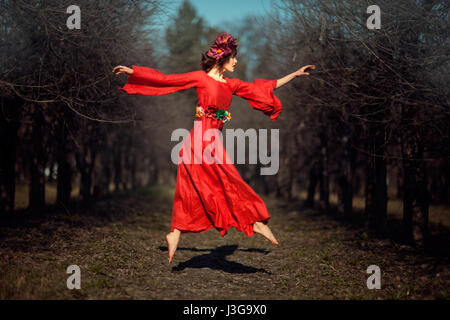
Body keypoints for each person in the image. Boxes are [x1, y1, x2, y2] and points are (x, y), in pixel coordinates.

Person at [113, 33, 315, 264]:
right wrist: (133, 72)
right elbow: (166, 80)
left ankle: (176, 233)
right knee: (225, 181)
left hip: (212, 141)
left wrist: (295, 75)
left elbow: (266, 88)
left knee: (199, 188)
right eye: (233, 59)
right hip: (199, 141)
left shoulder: (232, 85)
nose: (236, 63)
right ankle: (252, 222)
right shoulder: (200, 78)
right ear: (222, 59)